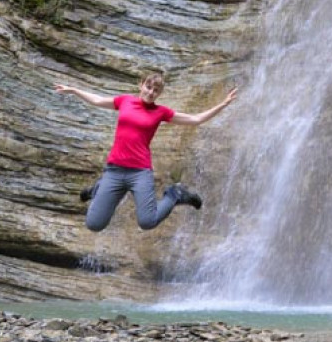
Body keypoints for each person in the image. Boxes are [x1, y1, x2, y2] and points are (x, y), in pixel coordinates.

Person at [54, 72, 237, 232]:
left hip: (140, 172)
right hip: (114, 170)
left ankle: (174, 194)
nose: (150, 92)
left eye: (155, 90)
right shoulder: (125, 101)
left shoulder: (161, 112)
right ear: (141, 85)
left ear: (159, 93)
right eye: (148, 87)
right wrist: (74, 90)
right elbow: (98, 100)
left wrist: (224, 104)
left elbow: (195, 119)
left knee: (147, 222)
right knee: (94, 224)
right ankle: (99, 188)